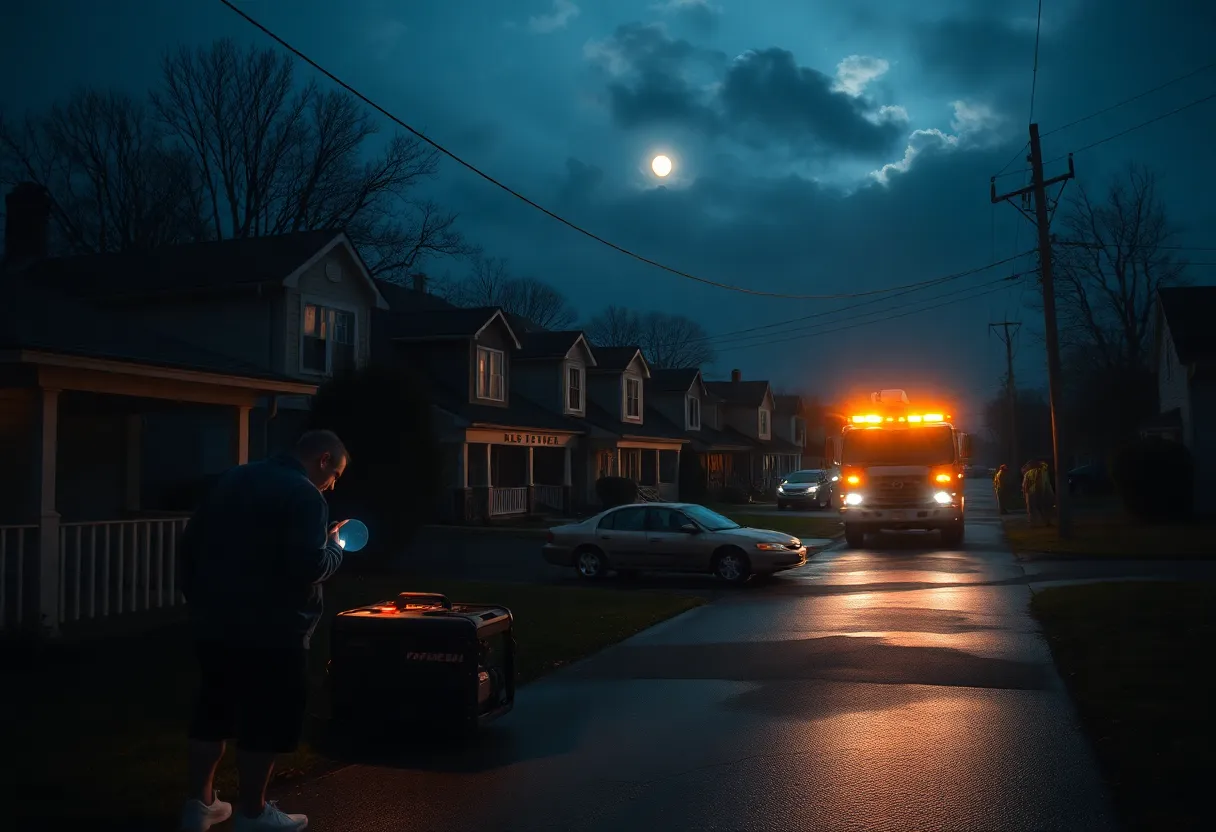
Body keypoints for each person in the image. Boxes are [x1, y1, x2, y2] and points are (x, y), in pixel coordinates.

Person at [178, 430, 349, 832]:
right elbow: (307, 566)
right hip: (275, 628)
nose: (333, 483)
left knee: (212, 712)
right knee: (265, 721)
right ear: (323, 458)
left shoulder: (233, 478)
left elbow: (191, 545)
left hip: (216, 621)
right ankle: (252, 813)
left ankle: (200, 806)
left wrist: (198, 600)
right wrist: (336, 550)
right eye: (336, 473)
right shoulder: (306, 494)